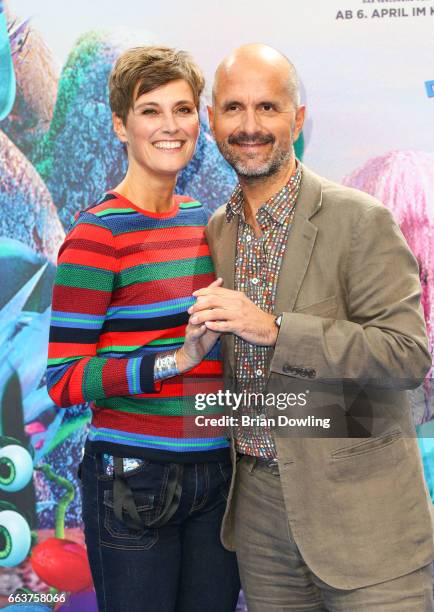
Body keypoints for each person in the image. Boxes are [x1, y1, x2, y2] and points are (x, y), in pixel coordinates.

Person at [188, 43, 434, 611]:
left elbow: (406, 355)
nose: (250, 126)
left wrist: (277, 329)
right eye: (233, 109)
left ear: (298, 119)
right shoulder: (218, 230)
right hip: (259, 520)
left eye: (268, 108)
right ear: (212, 121)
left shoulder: (359, 219)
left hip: (363, 517)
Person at [46, 46, 240, 612]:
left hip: (218, 476)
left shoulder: (207, 222)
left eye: (182, 109)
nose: (170, 126)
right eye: (150, 110)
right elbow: (64, 380)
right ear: (119, 125)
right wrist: (171, 361)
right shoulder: (96, 235)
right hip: (134, 480)